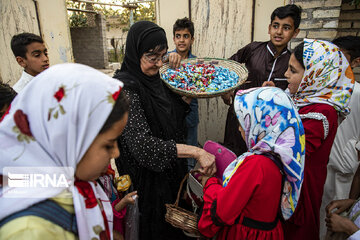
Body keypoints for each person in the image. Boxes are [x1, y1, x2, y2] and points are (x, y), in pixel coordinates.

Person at [0, 63, 129, 240]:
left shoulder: (63, 182)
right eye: (108, 144)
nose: (116, 154)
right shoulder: (30, 230)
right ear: (67, 140)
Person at [112, 21, 216, 240]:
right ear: (135, 52)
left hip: (167, 178)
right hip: (148, 186)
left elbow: (171, 119)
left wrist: (187, 93)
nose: (159, 63)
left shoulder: (154, 81)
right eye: (152, 57)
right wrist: (195, 151)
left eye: (162, 56)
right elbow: (143, 146)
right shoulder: (126, 91)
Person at [198, 87, 305, 240]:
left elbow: (222, 211)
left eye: (245, 121)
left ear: (261, 123)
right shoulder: (282, 157)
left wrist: (209, 183)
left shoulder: (256, 164)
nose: (240, 127)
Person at [282, 39, 355, 240]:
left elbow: (290, 152)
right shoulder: (304, 99)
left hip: (301, 188)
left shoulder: (323, 111)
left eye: (293, 71)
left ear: (316, 76)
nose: (286, 75)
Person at [222, 4, 301, 156]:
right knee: (231, 156)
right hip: (239, 117)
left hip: (270, 127)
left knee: (258, 165)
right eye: (276, 26)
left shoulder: (292, 63)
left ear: (295, 32)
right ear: (269, 28)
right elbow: (227, 67)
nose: (279, 32)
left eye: (286, 28)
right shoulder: (253, 49)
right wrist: (226, 91)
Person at [320, 36, 360, 239]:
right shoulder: (324, 88)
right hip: (322, 168)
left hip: (344, 174)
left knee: (335, 224)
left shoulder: (359, 94)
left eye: (341, 56)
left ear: (355, 62)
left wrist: (353, 198)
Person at [169, 17, 199, 170]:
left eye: (186, 36)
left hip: (190, 117)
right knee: (173, 152)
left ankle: (188, 188)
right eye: (178, 36)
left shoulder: (197, 63)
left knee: (190, 157)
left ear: (192, 39)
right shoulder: (167, 59)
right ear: (173, 38)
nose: (182, 40)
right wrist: (167, 58)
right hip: (170, 115)